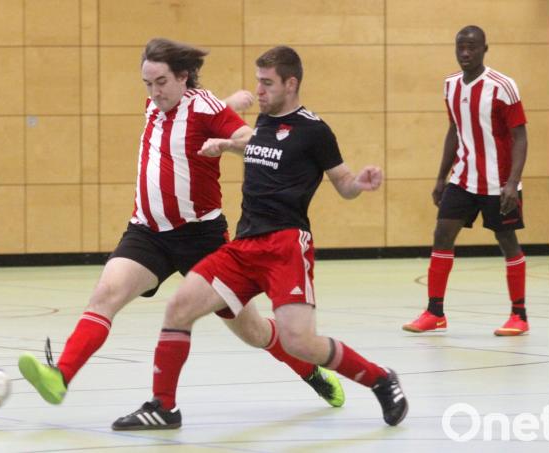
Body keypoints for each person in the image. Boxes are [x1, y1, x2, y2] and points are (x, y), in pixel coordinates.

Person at [17, 38, 344, 409]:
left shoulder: (206, 108)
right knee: (105, 295)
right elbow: (188, 121)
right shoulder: (155, 107)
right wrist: (228, 102)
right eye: (147, 84)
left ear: (183, 77)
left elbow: (243, 135)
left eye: (161, 83)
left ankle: (310, 372)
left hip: (201, 239)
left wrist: (229, 134)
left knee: (252, 331)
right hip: (147, 233)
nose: (154, 92)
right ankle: (60, 376)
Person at [112, 45, 408, 431]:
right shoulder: (264, 124)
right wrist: (225, 145)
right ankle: (163, 407)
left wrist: (360, 184)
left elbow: (344, 183)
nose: (260, 91)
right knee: (178, 309)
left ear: (291, 83)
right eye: (257, 82)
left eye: (267, 84)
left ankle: (380, 378)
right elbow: (256, 148)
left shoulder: (315, 131)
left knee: (300, 342)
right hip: (242, 246)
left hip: (285, 244)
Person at [402, 25, 530, 336]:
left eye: (472, 47)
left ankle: (519, 315)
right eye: (460, 47)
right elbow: (454, 130)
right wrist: (440, 176)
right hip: (462, 178)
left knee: (507, 241)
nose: (465, 53)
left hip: (500, 183)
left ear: (485, 48)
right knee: (442, 235)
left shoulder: (503, 86)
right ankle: (435, 312)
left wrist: (513, 182)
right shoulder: (450, 86)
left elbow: (520, 136)